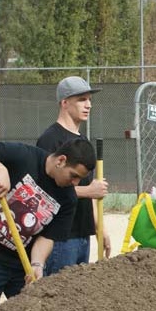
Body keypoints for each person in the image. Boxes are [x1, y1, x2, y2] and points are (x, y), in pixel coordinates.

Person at [0, 139, 96, 309]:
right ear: (61, 160)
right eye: (74, 176)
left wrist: (37, 264)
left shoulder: (68, 199)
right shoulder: (24, 156)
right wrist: (1, 169)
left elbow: (47, 237)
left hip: (21, 266)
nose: (76, 183)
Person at [36, 76, 110, 275]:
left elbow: (91, 192)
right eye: (82, 100)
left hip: (82, 234)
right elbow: (45, 191)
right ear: (64, 103)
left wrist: (99, 228)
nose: (88, 105)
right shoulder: (50, 139)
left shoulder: (82, 141)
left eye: (89, 100)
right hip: (60, 237)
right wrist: (88, 190)